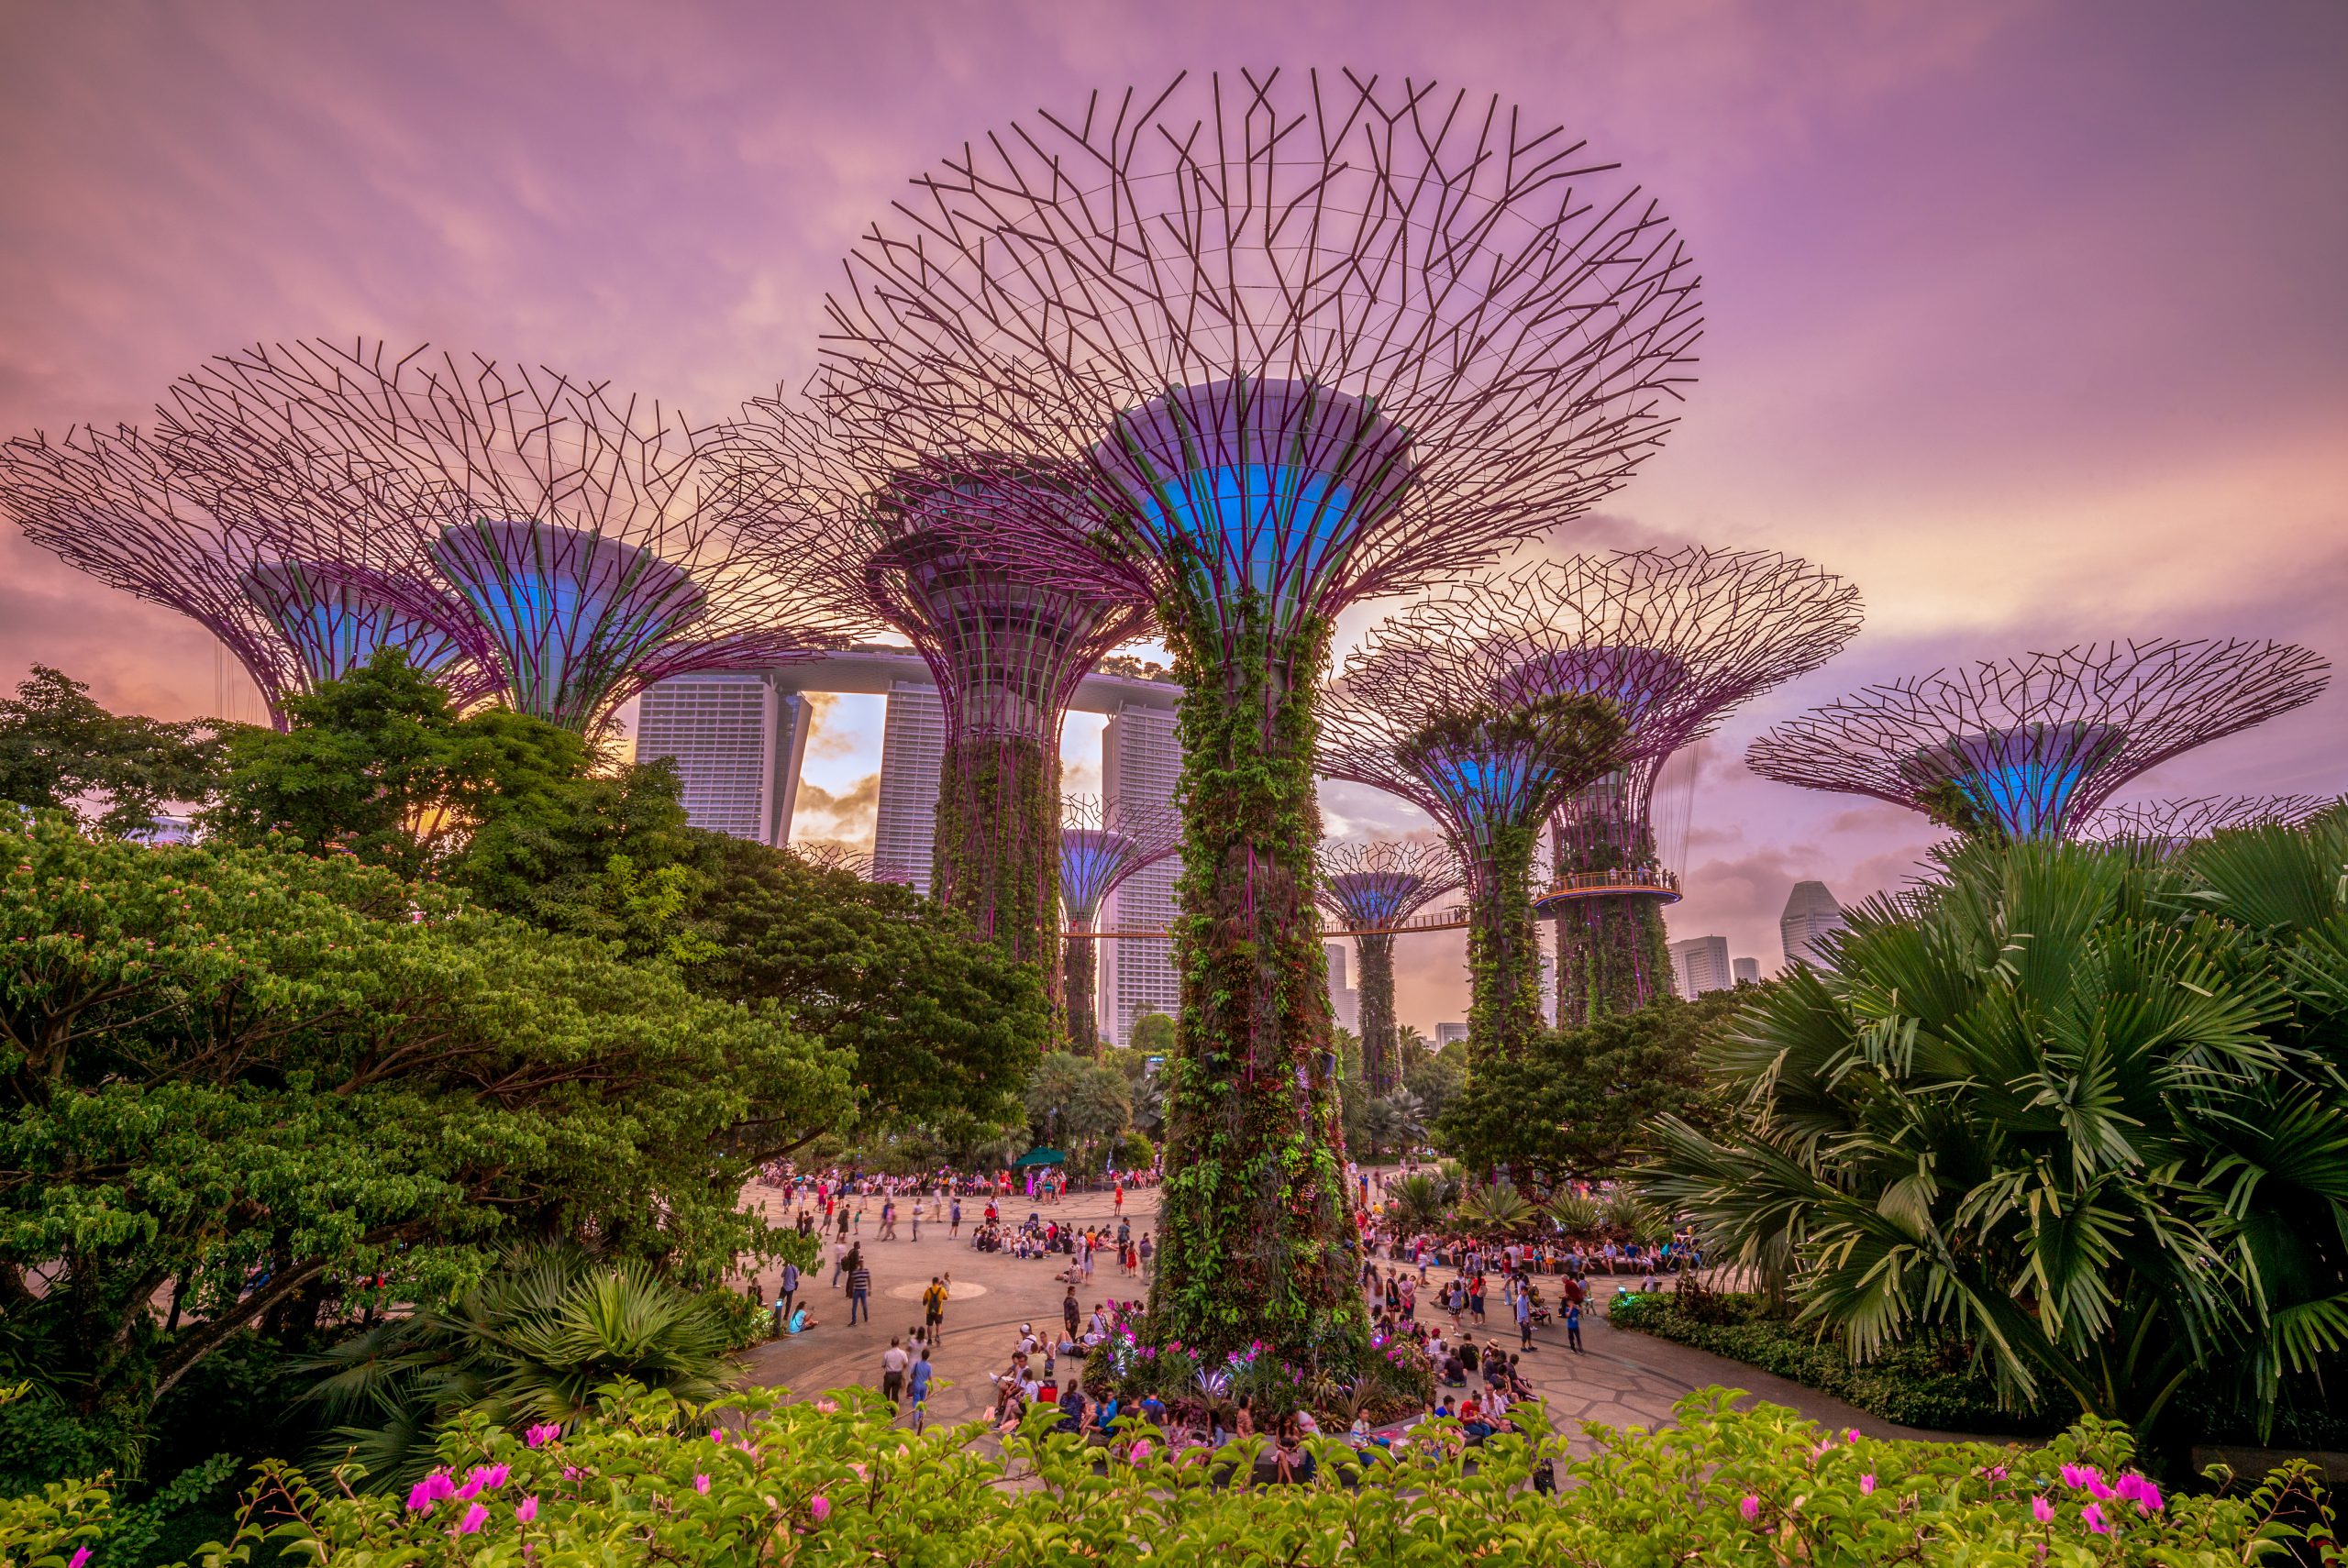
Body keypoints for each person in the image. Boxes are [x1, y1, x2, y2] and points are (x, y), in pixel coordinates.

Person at [907, 1345, 935, 1430]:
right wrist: (930, 1388)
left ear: (921, 1355)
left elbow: (912, 1375)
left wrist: (913, 1378)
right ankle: (920, 1416)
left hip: (917, 1385)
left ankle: (915, 1418)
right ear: (928, 1356)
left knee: (916, 1401)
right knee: (922, 1401)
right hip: (924, 1386)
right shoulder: (929, 1366)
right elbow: (930, 1378)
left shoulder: (917, 1364)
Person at [880, 1336, 909, 1408]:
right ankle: (893, 1412)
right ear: (898, 1343)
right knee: (895, 1393)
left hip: (889, 1375)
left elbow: (883, 1365)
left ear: (891, 1344)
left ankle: (886, 1408)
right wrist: (902, 1369)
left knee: (886, 1392)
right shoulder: (902, 1353)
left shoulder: (887, 1353)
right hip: (898, 1374)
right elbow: (906, 1363)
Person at [847, 1251, 872, 1327]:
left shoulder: (866, 1271)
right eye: (860, 1263)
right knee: (854, 1306)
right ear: (858, 1264)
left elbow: (869, 1280)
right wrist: (851, 1291)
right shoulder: (855, 1272)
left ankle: (866, 1316)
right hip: (856, 1291)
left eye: (862, 1263)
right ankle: (854, 1320)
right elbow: (852, 1282)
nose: (861, 1264)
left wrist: (870, 1289)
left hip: (863, 1291)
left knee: (864, 1305)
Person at [774, 1259, 800, 1334]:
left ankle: (777, 1313)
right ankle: (786, 1315)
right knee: (789, 1302)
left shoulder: (787, 1268)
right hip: (791, 1288)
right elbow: (796, 1277)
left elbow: (782, 1275)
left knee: (780, 1300)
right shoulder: (796, 1268)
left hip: (785, 1287)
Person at [923, 1275, 949, 1342]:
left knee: (930, 1325)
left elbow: (924, 1302)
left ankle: (929, 1339)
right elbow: (946, 1298)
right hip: (938, 1311)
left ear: (932, 1282)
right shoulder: (942, 1289)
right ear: (938, 1282)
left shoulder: (928, 1290)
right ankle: (937, 1336)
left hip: (929, 1311)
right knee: (938, 1323)